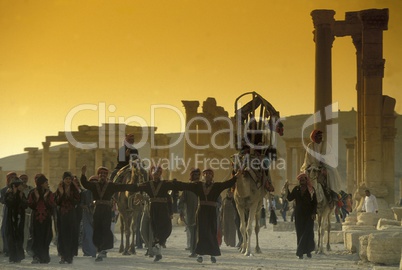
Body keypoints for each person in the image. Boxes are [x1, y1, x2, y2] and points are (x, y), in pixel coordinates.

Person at [175, 168, 238, 264]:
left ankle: (213, 254)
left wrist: (236, 176)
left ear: (212, 176)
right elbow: (186, 186)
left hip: (212, 211)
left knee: (212, 232)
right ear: (203, 176)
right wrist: (174, 183)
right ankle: (200, 255)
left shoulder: (217, 186)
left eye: (209, 173)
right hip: (201, 211)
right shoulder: (198, 185)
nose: (207, 175)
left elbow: (227, 184)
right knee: (201, 232)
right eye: (205, 173)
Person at [80, 165, 139, 262]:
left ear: (106, 176)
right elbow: (85, 184)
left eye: (104, 174)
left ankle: (103, 249)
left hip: (107, 210)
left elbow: (124, 186)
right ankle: (99, 248)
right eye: (101, 174)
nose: (102, 175)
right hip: (97, 210)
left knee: (105, 229)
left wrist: (136, 186)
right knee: (97, 229)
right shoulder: (94, 185)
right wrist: (83, 174)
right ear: (98, 175)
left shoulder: (111, 185)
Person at [135, 166, 177, 262]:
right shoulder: (146, 184)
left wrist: (170, 212)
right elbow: (139, 193)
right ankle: (151, 247)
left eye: (157, 173)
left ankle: (156, 252)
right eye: (153, 173)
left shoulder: (163, 185)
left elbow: (169, 199)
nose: (155, 175)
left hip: (157, 210)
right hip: (146, 209)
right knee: (142, 230)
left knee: (155, 233)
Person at [300, 129, 341, 204]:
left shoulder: (326, 144)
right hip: (313, 166)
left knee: (330, 174)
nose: (320, 138)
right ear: (314, 137)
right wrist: (307, 167)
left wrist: (324, 160)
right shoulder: (310, 146)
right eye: (318, 136)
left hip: (325, 165)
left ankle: (333, 194)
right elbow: (307, 158)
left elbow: (330, 155)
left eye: (321, 136)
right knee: (304, 175)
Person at [285, 173, 317, 259]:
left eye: (303, 179)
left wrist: (314, 213)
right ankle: (301, 253)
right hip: (299, 215)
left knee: (308, 233)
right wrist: (287, 189)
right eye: (301, 179)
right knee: (300, 233)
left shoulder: (311, 190)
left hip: (309, 215)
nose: (302, 181)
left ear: (306, 180)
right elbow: (290, 198)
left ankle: (308, 251)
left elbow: (315, 203)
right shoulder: (296, 189)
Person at [28, 174, 56, 264]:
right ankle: (36, 257)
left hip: (46, 218)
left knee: (46, 237)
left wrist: (44, 198)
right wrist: (36, 198)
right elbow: (31, 205)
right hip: (36, 218)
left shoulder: (49, 193)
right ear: (41, 184)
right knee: (36, 237)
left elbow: (52, 205)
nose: (47, 184)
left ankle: (44, 257)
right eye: (45, 182)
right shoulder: (33, 193)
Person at [55, 172, 81, 264]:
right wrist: (61, 193)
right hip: (62, 215)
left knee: (71, 234)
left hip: (71, 215)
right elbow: (56, 201)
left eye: (69, 179)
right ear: (63, 179)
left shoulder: (74, 190)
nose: (68, 180)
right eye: (66, 179)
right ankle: (62, 256)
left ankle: (69, 256)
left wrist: (68, 195)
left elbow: (77, 201)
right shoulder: (59, 189)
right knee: (62, 235)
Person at [177, 168, 200, 257]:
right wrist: (181, 212)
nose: (197, 177)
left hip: (202, 214)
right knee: (192, 233)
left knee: (199, 233)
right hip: (190, 214)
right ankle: (193, 251)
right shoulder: (187, 188)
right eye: (195, 175)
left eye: (198, 175)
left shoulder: (203, 186)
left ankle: (198, 250)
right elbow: (181, 201)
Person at [4, 177, 27, 263]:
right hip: (12, 219)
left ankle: (19, 256)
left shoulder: (22, 194)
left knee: (19, 236)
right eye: (20, 185)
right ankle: (13, 256)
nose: (22, 186)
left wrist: (21, 198)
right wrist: (13, 194)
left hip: (20, 219)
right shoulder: (9, 194)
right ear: (15, 186)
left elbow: (25, 205)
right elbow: (9, 203)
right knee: (12, 237)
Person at [80, 175, 97, 257]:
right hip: (87, 215)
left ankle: (94, 252)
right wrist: (85, 206)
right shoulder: (84, 193)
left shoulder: (99, 192)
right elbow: (81, 203)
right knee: (87, 233)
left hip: (97, 215)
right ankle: (87, 252)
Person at [1, 172, 17, 257]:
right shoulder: (4, 190)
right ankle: (7, 249)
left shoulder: (19, 189)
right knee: (6, 230)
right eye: (11, 178)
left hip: (17, 212)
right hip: (7, 212)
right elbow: (3, 200)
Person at [19, 174, 34, 255]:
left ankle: (28, 248)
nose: (24, 180)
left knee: (29, 231)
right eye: (22, 179)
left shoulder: (31, 189)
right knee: (23, 231)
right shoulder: (18, 189)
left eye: (25, 178)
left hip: (30, 213)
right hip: (21, 213)